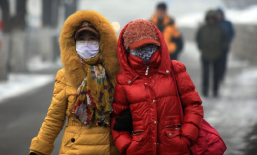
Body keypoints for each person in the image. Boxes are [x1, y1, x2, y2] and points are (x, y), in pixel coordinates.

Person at [29, 10, 121, 155]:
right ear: (73, 43)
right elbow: (54, 118)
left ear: (103, 42)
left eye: (92, 38)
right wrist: (39, 150)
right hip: (74, 150)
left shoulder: (116, 74)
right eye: (81, 39)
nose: (86, 43)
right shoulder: (65, 76)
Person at [111, 19, 203, 155]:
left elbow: (193, 105)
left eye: (149, 46)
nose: (145, 52)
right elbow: (117, 117)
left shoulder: (175, 70)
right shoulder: (124, 80)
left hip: (175, 149)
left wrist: (186, 138)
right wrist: (127, 146)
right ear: (128, 49)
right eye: (138, 48)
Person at [196, 10, 229, 97]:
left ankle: (215, 91)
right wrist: (201, 47)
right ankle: (205, 91)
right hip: (205, 55)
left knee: (216, 75)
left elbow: (225, 40)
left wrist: (222, 49)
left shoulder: (220, 29)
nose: (211, 21)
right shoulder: (202, 29)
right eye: (209, 19)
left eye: (212, 19)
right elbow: (198, 38)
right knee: (205, 75)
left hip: (217, 55)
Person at [215, 8, 235, 83]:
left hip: (224, 47)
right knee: (216, 63)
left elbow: (231, 33)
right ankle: (216, 77)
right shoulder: (214, 23)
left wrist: (227, 41)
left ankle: (221, 76)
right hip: (215, 47)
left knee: (223, 63)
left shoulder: (227, 23)